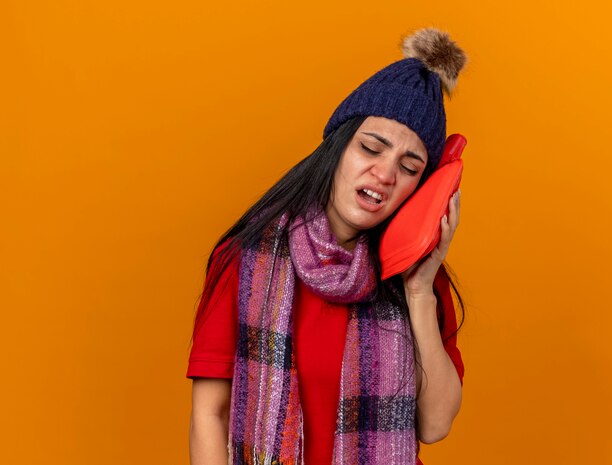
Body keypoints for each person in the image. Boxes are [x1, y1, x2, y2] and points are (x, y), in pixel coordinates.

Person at [186, 27, 468, 465]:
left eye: (409, 168)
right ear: (338, 146)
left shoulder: (420, 279)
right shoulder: (246, 259)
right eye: (371, 148)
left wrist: (418, 291)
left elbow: (434, 425)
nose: (384, 174)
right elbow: (210, 413)